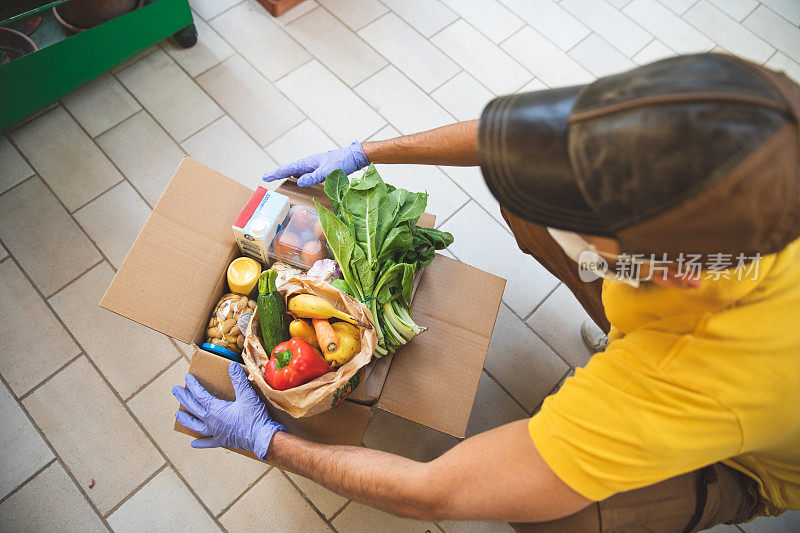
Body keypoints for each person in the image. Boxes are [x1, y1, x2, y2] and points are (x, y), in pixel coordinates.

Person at [172, 54, 800, 531]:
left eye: (589, 220)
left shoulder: (695, 378)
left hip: (750, 455)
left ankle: (707, 491)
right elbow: (519, 142)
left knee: (559, 516)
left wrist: (268, 441)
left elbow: (434, 490)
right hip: (680, 306)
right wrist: (366, 152)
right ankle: (618, 319)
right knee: (525, 196)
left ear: (670, 271)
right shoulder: (724, 133)